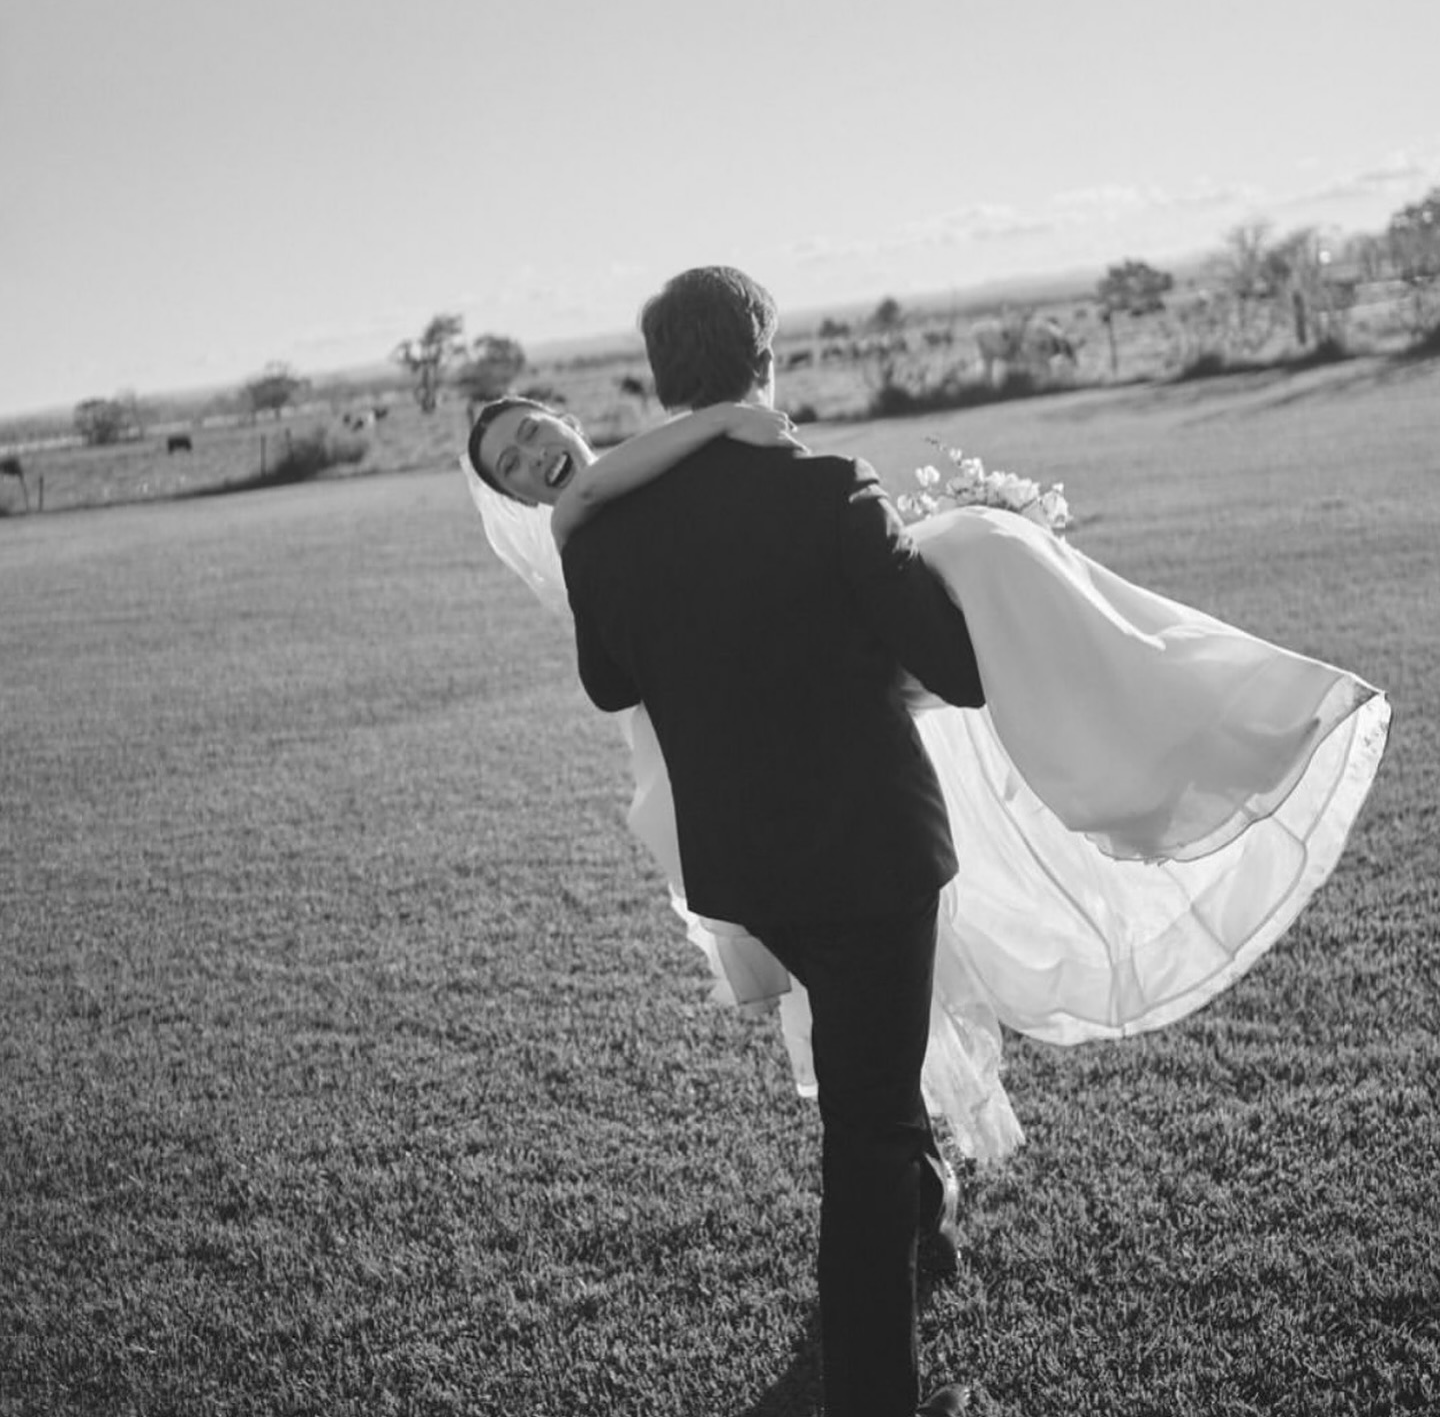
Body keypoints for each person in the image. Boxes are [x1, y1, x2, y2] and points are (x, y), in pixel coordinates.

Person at [463, 271, 1391, 1417]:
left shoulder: (597, 539)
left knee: (867, 1061)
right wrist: (992, 563)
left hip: (747, 874)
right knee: (869, 1121)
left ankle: (922, 1214)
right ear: (766, 356)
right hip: (868, 858)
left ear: (659, 379)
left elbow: (613, 684)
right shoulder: (822, 488)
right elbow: (952, 670)